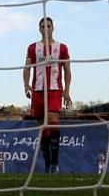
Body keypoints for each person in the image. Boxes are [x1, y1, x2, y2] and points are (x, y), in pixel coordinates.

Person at [23, 16, 71, 173]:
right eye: (43, 26)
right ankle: (48, 164)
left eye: (48, 26)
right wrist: (26, 85)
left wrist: (66, 90)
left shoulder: (62, 47)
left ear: (53, 28)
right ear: (39, 29)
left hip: (54, 89)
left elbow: (67, 71)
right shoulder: (32, 47)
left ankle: (55, 163)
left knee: (53, 119)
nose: (46, 28)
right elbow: (27, 68)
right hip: (37, 90)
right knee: (43, 126)